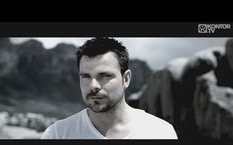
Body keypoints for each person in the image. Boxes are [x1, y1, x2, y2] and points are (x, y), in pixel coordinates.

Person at [41, 37, 178, 139]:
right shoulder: (57, 134)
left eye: (104, 75)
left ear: (126, 79)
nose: (93, 85)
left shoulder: (160, 133)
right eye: (86, 76)